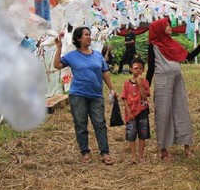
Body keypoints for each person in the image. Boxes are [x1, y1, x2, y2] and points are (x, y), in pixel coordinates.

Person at [146, 17, 200, 160]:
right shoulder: (154, 46)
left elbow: (188, 57)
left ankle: (186, 147)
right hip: (162, 82)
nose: (170, 27)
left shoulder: (173, 44)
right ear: (159, 29)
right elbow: (151, 68)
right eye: (167, 26)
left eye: (169, 25)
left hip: (177, 82)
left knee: (181, 110)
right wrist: (145, 87)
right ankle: (163, 149)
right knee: (163, 113)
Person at [53, 27, 116, 165]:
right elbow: (57, 65)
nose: (89, 37)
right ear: (78, 38)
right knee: (81, 124)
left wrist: (112, 88)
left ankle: (104, 152)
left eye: (89, 34)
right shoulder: (72, 56)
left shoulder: (97, 55)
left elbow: (104, 72)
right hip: (78, 95)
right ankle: (85, 152)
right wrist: (59, 47)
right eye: (86, 35)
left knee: (99, 123)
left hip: (96, 95)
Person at [120, 58, 151, 164]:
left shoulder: (145, 82)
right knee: (131, 135)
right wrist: (128, 112)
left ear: (143, 70)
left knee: (142, 135)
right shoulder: (126, 84)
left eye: (140, 68)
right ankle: (133, 156)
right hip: (131, 112)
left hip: (142, 111)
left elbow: (144, 97)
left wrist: (140, 84)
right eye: (135, 68)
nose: (138, 70)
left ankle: (141, 156)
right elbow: (124, 98)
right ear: (130, 69)